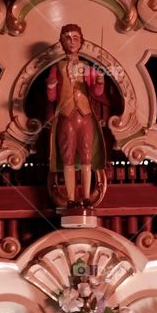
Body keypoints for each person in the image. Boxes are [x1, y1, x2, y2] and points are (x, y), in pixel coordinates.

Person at [46, 24, 108, 207]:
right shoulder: (56, 67)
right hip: (66, 115)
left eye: (75, 38)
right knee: (68, 156)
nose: (71, 42)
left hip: (85, 114)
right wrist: (51, 85)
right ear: (61, 42)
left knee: (87, 156)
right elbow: (51, 96)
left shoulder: (86, 66)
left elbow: (96, 92)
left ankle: (87, 196)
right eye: (67, 38)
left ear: (81, 42)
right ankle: (72, 198)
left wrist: (99, 80)